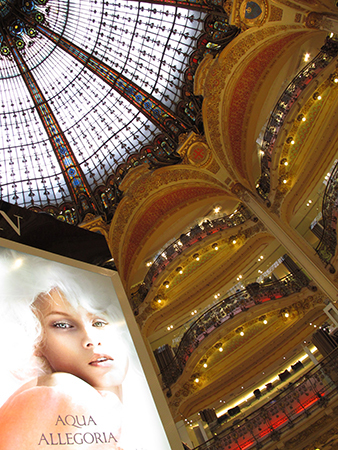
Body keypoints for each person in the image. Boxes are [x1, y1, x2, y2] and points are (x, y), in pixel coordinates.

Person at [0, 248, 163, 450]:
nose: (91, 340)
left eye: (99, 322)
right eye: (62, 325)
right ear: (37, 344)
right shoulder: (60, 394)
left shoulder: (127, 416)